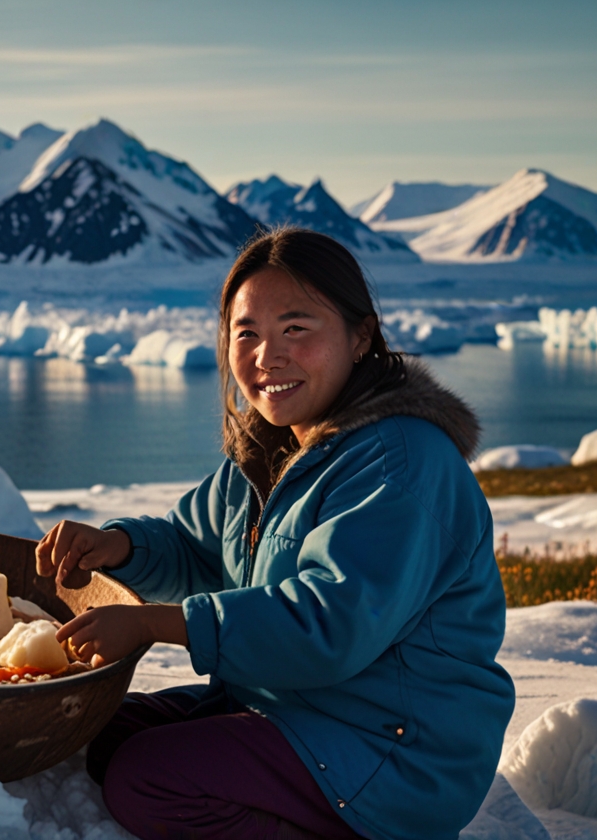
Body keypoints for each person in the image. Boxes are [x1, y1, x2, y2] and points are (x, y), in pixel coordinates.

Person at [37, 227, 515, 840]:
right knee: (95, 728)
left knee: (146, 778)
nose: (267, 357)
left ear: (360, 336)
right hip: (288, 707)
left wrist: (156, 625)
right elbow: (194, 544)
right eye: (248, 333)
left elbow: (329, 626)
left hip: (394, 749)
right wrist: (120, 545)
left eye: (296, 329)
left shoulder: (401, 462)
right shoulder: (271, 450)